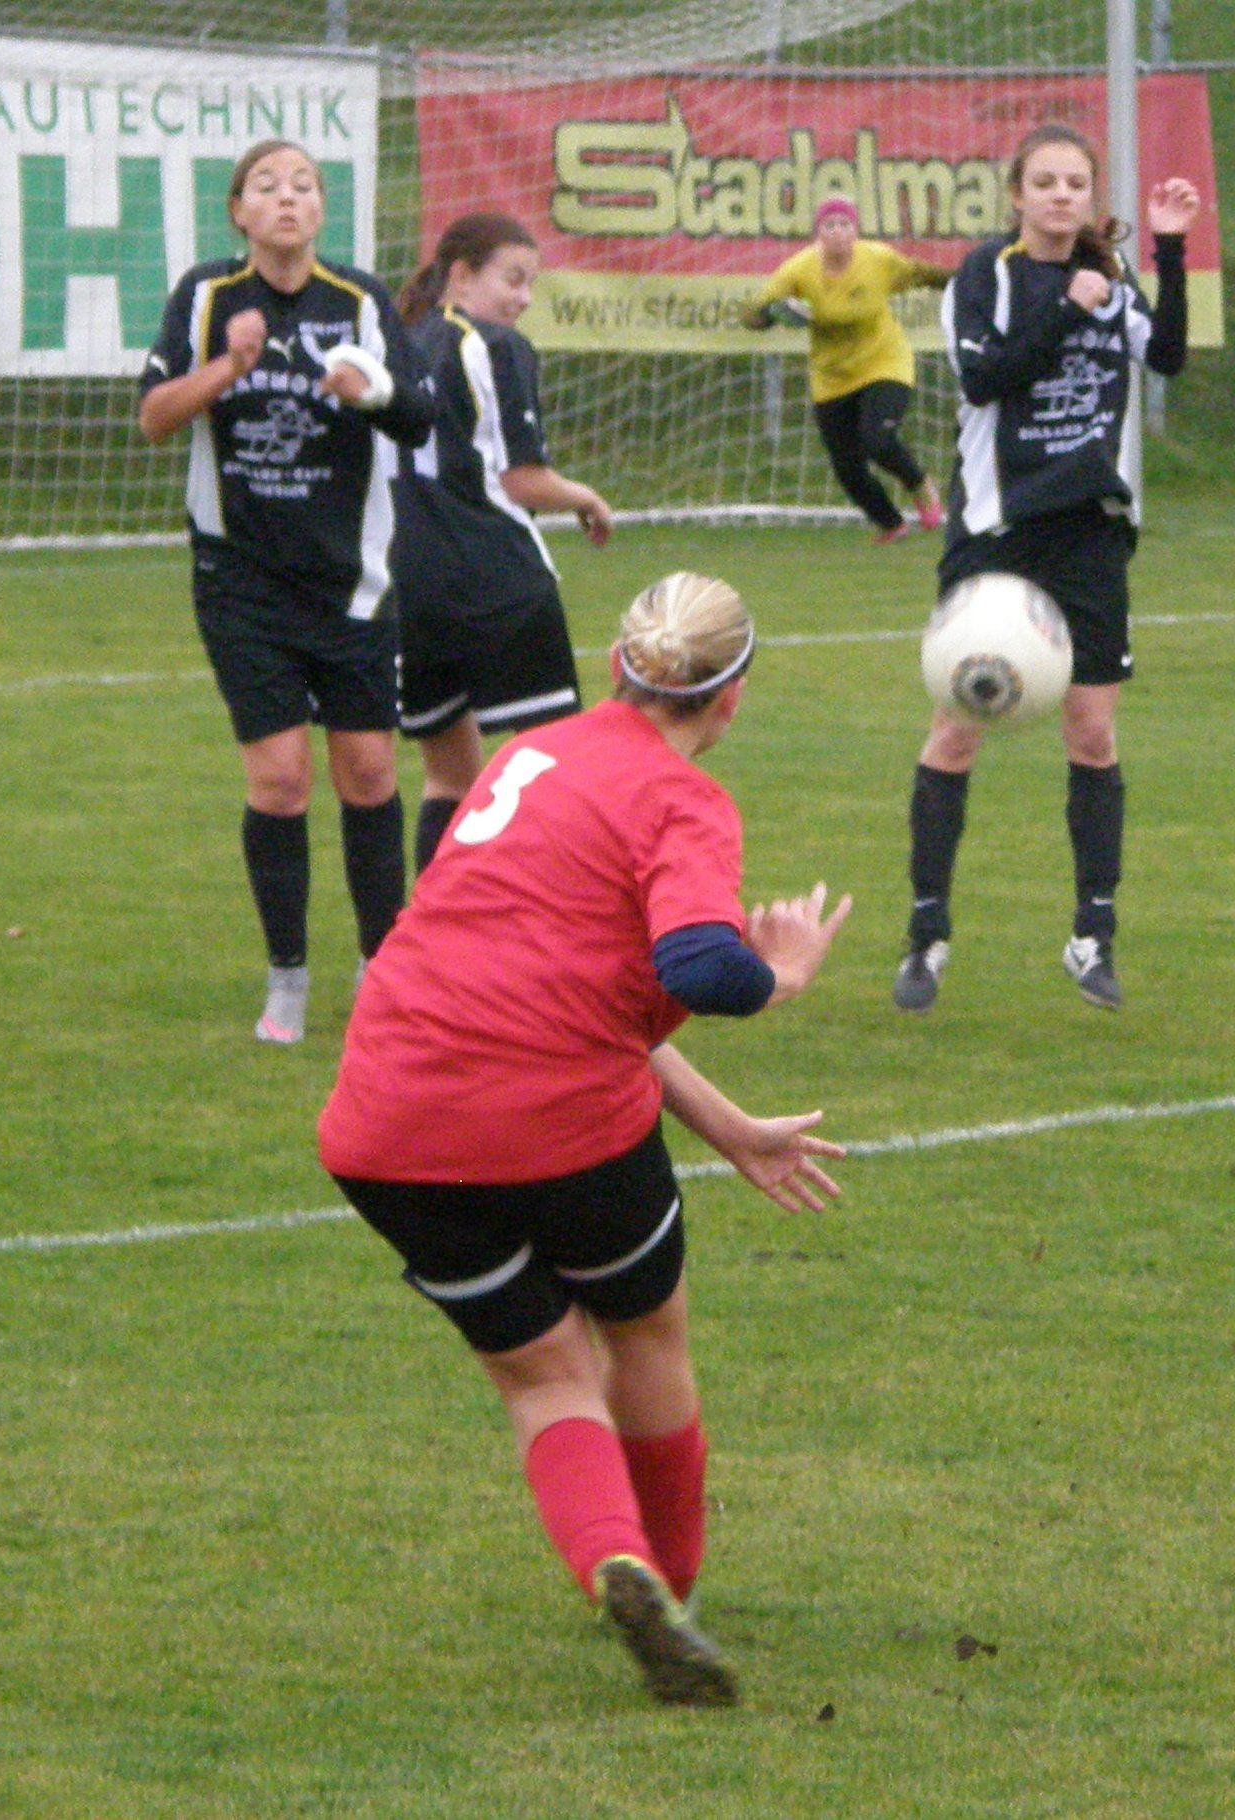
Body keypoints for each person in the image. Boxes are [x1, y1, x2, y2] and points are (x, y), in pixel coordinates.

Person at [318, 572, 850, 1708]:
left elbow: (552, 984)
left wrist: (730, 1129)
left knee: (542, 1374)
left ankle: (615, 1562)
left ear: (617, 667)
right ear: (731, 696)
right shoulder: (682, 800)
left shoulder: (525, 757)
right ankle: (673, 1583)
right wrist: (784, 972)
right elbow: (700, 965)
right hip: (557, 1117)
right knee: (644, 1332)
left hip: (386, 1121)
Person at [894, 128, 1200, 1014]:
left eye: (1074, 182)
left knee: (1092, 734)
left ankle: (1092, 936)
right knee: (957, 730)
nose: (1061, 194)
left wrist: (1168, 251)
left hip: (1089, 535)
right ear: (1017, 195)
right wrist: (1068, 308)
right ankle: (926, 936)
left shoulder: (1111, 276)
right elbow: (985, 377)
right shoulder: (985, 274)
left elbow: (1166, 355)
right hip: (998, 535)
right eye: (1045, 181)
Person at [138, 140, 437, 1045]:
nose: (286, 199)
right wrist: (227, 369)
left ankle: (381, 970)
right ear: (238, 211)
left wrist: (369, 392)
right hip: (241, 583)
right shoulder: (205, 297)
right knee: (279, 782)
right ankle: (287, 981)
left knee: (369, 773)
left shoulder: (359, 302)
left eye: (303, 185)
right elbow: (153, 417)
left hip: (352, 584)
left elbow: (420, 415)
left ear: (320, 210)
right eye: (266, 186)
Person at [391, 213, 614, 875]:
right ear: (461, 275)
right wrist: (587, 497)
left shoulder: (403, 342)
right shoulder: (495, 345)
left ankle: (433, 923)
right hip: (496, 580)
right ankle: (548, 915)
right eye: (513, 279)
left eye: (531, 284)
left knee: (448, 778)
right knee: (555, 767)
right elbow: (522, 481)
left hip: (413, 586)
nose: (523, 298)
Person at [741, 197, 953, 544]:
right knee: (846, 466)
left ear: (856, 231)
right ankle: (890, 523)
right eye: (830, 226)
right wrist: (770, 315)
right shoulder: (799, 269)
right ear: (818, 233)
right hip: (832, 377)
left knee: (878, 440)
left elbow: (922, 274)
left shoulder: (878, 260)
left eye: (845, 225)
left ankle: (919, 485)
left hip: (884, 361)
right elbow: (752, 311)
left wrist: (969, 278)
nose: (838, 232)